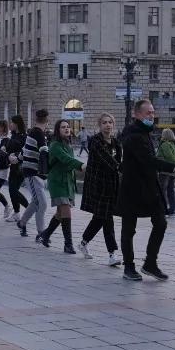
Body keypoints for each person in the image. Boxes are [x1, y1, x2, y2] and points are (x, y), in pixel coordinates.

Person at [118, 100, 175, 281]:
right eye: (148, 113)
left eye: (153, 113)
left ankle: (150, 263)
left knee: (161, 223)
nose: (151, 116)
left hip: (149, 187)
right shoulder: (133, 135)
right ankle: (129, 267)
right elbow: (148, 160)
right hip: (132, 188)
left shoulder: (145, 133)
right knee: (129, 228)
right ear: (137, 114)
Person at [79, 113, 122, 266]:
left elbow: (118, 160)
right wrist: (121, 167)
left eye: (110, 122)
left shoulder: (116, 143)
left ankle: (83, 242)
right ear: (100, 125)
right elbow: (107, 160)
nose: (108, 125)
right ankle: (112, 254)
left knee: (100, 218)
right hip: (98, 186)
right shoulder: (95, 141)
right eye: (104, 122)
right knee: (107, 218)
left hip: (111, 186)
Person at [38, 120, 84, 253]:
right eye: (63, 127)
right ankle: (68, 244)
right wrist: (82, 165)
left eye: (68, 127)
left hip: (68, 182)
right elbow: (66, 160)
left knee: (60, 213)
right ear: (57, 130)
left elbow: (68, 162)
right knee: (66, 211)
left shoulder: (67, 145)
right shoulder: (55, 145)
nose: (67, 129)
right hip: (58, 183)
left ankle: (45, 235)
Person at [16, 109, 52, 240]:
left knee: (36, 202)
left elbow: (24, 149)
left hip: (33, 172)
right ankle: (41, 233)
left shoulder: (33, 132)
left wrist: (17, 159)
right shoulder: (39, 134)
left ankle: (22, 223)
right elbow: (44, 151)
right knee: (42, 203)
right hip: (33, 173)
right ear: (47, 121)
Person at [0, 121, 16, 222]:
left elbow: (5, 153)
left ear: (2, 128)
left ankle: (7, 206)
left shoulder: (7, 140)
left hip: (1, 169)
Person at [5, 115, 29, 220]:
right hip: (13, 166)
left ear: (17, 124)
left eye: (12, 123)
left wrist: (16, 156)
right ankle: (16, 213)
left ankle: (29, 208)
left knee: (13, 190)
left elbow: (25, 151)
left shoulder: (24, 136)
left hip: (20, 167)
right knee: (12, 190)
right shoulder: (13, 135)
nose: (10, 125)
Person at [157, 128, 175, 217]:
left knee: (162, 191)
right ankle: (172, 209)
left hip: (165, 170)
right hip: (173, 171)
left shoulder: (165, 144)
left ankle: (162, 209)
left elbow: (169, 157)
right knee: (170, 190)